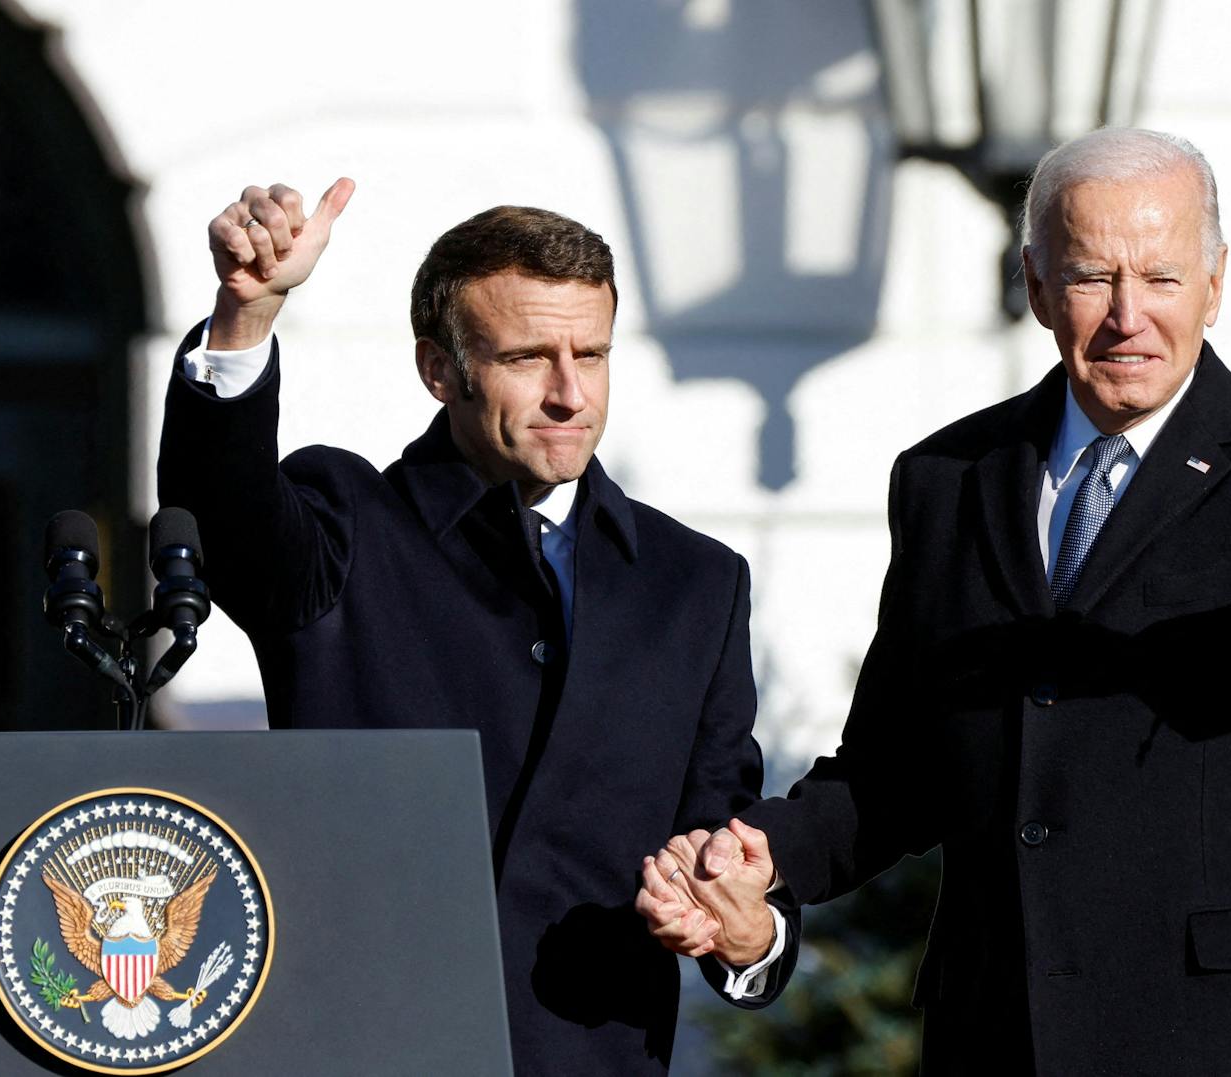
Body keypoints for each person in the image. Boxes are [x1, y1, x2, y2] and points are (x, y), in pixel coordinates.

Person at [636, 127, 1231, 1073]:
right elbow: (898, 766)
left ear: (1215, 282)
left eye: (1160, 278)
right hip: (1003, 1031)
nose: (1128, 316)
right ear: (1036, 285)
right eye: (1090, 278)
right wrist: (767, 851)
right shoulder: (950, 478)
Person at [156, 179, 797, 1071]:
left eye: (594, 354)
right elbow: (217, 519)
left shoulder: (696, 582)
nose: (571, 393)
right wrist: (245, 317)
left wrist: (744, 928)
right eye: (531, 357)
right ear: (440, 369)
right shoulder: (345, 525)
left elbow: (722, 838)